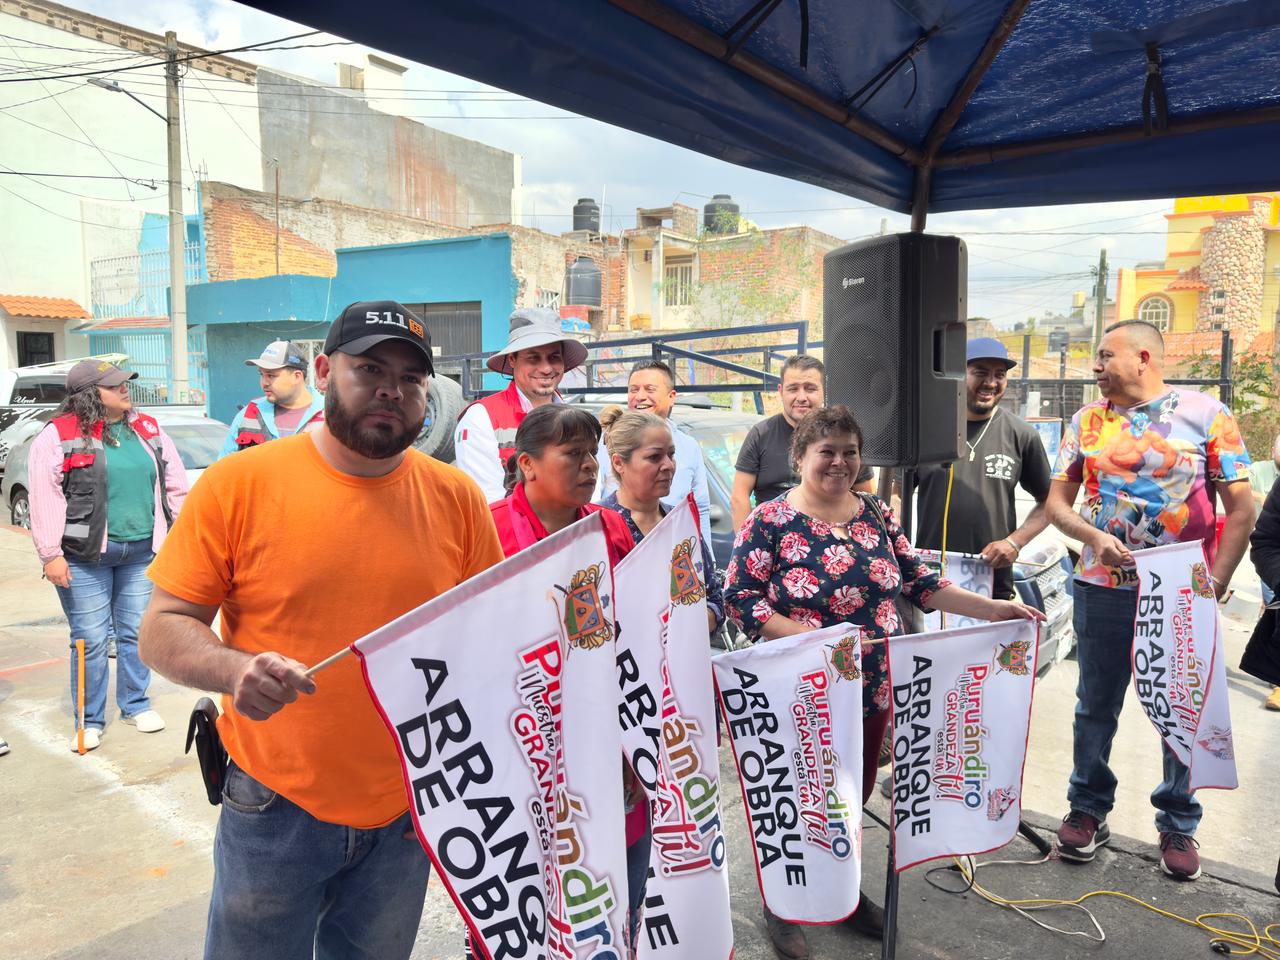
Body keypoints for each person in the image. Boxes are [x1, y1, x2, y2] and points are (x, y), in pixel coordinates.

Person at [138, 300, 503, 960]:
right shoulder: (238, 484)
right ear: (325, 371)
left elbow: (488, 642)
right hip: (274, 804)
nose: (392, 389)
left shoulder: (457, 499)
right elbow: (163, 626)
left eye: (411, 378)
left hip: (407, 808)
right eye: (370, 370)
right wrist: (234, 670)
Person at [725, 405, 1044, 960]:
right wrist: (815, 641)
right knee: (798, 794)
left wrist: (993, 609)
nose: (839, 462)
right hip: (801, 688)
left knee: (853, 791)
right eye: (826, 451)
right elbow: (740, 598)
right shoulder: (770, 520)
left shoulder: (874, 511)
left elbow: (920, 582)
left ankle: (842, 891)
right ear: (800, 456)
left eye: (850, 452)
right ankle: (785, 902)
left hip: (871, 685)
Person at [1045, 319, 1254, 882]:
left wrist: (1215, 582)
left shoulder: (1207, 414)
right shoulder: (1086, 421)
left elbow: (1242, 509)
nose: (1095, 367)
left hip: (1182, 594)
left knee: (1180, 705)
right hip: (1101, 588)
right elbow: (1057, 502)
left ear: (1143, 357)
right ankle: (1087, 808)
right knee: (1095, 704)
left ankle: (1178, 821)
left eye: (1104, 355)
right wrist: (1092, 537)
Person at [486, 404, 649, 951]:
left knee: (611, 878)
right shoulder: (487, 529)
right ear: (526, 464)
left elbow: (635, 631)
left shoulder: (610, 528)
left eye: (592, 454)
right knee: (524, 887)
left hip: (605, 730)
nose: (589, 466)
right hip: (520, 736)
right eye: (573, 453)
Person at [28, 359, 188, 751]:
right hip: (83, 558)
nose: (124, 389)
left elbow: (175, 483)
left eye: (124, 383)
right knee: (92, 639)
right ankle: (89, 720)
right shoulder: (58, 433)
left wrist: (180, 536)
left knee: (136, 632)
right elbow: (44, 495)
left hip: (142, 553)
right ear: (89, 394)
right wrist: (50, 554)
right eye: (114, 385)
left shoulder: (147, 428)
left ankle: (135, 704)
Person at [915, 337, 1053, 599]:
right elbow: (896, 495)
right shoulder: (928, 430)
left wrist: (1014, 542)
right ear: (958, 374)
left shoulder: (1022, 435)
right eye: (980, 372)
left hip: (992, 580)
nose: (991, 382)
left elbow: (1051, 502)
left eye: (999, 374)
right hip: (933, 579)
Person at [597, 405, 724, 634]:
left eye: (671, 455)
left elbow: (714, 599)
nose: (668, 465)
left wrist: (691, 623)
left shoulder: (681, 522)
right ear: (618, 463)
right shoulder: (597, 526)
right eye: (654, 457)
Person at [454, 307, 588, 502]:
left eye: (554, 357)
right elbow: (489, 504)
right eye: (533, 358)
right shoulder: (481, 418)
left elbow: (589, 491)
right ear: (512, 359)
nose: (546, 368)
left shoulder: (576, 421)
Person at [731, 355, 874, 531]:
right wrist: (747, 542)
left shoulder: (844, 436)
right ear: (780, 391)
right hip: (772, 538)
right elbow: (739, 497)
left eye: (810, 388)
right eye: (793, 389)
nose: (801, 397)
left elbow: (866, 498)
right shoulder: (761, 435)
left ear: (824, 390)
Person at [595, 360, 714, 546]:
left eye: (650, 389)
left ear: (671, 396)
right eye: (634, 389)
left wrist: (705, 554)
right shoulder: (606, 443)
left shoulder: (689, 446)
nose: (640, 396)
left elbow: (701, 507)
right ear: (618, 462)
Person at [217, 340, 325, 458]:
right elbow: (224, 465)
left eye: (271, 375)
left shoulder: (330, 414)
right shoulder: (248, 415)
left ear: (296, 376)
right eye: (261, 374)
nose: (264, 383)